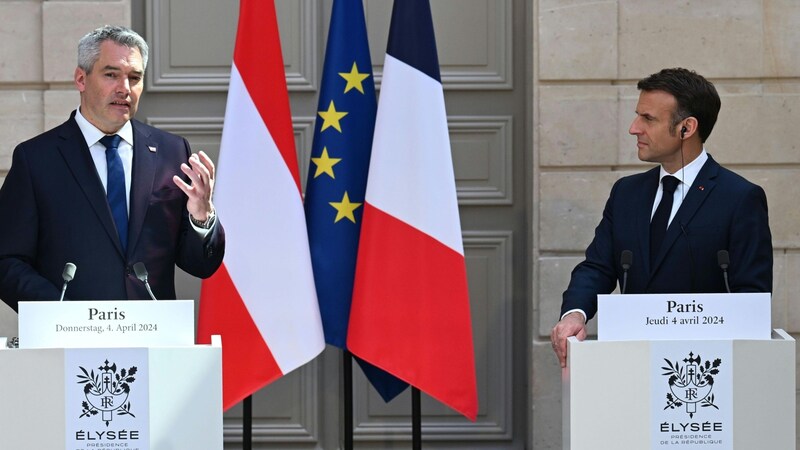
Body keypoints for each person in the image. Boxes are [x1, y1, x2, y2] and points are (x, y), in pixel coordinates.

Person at [550, 68, 772, 367]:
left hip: (703, 372)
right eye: (637, 115)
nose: (634, 128)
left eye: (648, 119)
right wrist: (575, 314)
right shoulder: (626, 192)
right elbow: (598, 266)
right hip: (631, 363)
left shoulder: (740, 198)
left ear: (687, 127)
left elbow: (752, 297)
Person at [0, 25, 225, 312]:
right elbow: (6, 260)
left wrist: (202, 218)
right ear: (81, 79)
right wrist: (59, 312)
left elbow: (200, 266)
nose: (124, 88)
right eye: (111, 75)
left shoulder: (172, 153)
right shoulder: (36, 159)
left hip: (151, 338)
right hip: (71, 340)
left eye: (135, 77)